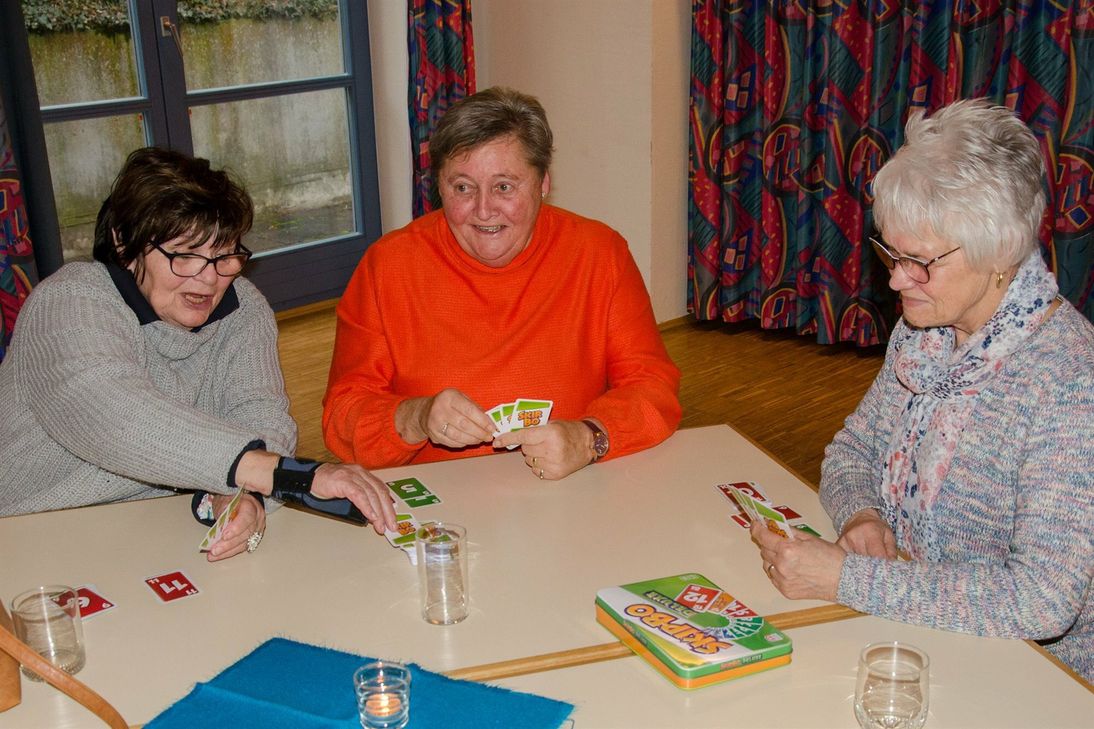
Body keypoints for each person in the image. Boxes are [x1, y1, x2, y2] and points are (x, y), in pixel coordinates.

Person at [750, 99, 1094, 681]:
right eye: (891, 252)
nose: (894, 279)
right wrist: (861, 516)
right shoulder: (927, 335)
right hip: (912, 624)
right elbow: (852, 453)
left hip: (1030, 673)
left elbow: (1044, 599)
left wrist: (846, 579)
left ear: (1000, 253)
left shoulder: (1067, 382)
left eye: (920, 262)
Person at [0, 147, 397, 560]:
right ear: (123, 242)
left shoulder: (242, 306)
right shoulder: (70, 299)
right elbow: (112, 413)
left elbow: (260, 414)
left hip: (147, 533)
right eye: (185, 255)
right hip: (22, 535)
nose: (209, 279)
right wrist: (285, 475)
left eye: (224, 255)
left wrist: (243, 497)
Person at [323, 86, 681, 480]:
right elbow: (343, 415)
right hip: (441, 500)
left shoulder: (599, 254)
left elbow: (652, 387)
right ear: (439, 187)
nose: (483, 209)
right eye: (462, 187)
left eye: (504, 186)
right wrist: (415, 416)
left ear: (543, 183)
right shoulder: (388, 266)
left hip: (569, 488)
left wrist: (588, 437)